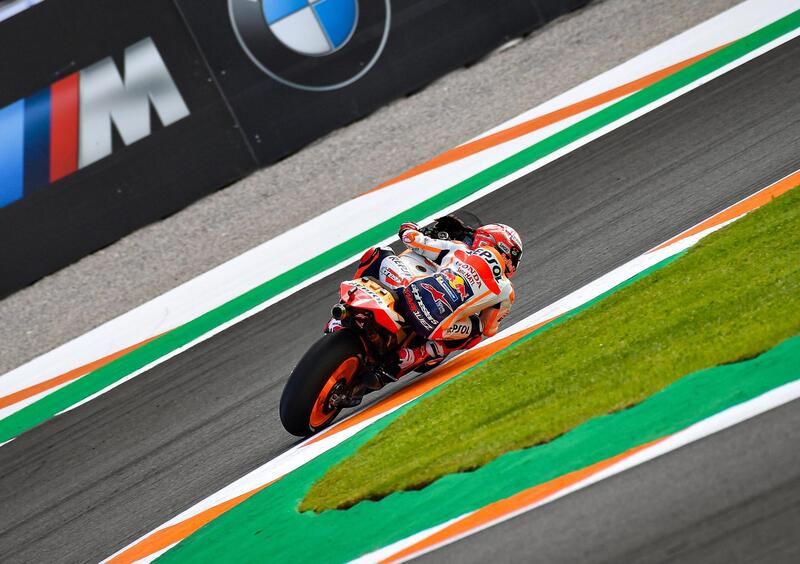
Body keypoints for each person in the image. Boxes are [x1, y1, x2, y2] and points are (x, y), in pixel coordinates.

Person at [342, 221, 523, 378]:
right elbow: (489, 329)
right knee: (478, 331)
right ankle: (415, 354)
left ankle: (347, 308)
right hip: (437, 328)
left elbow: (413, 240)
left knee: (379, 253)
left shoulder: (459, 248)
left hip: (409, 297)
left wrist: (408, 228)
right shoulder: (507, 291)